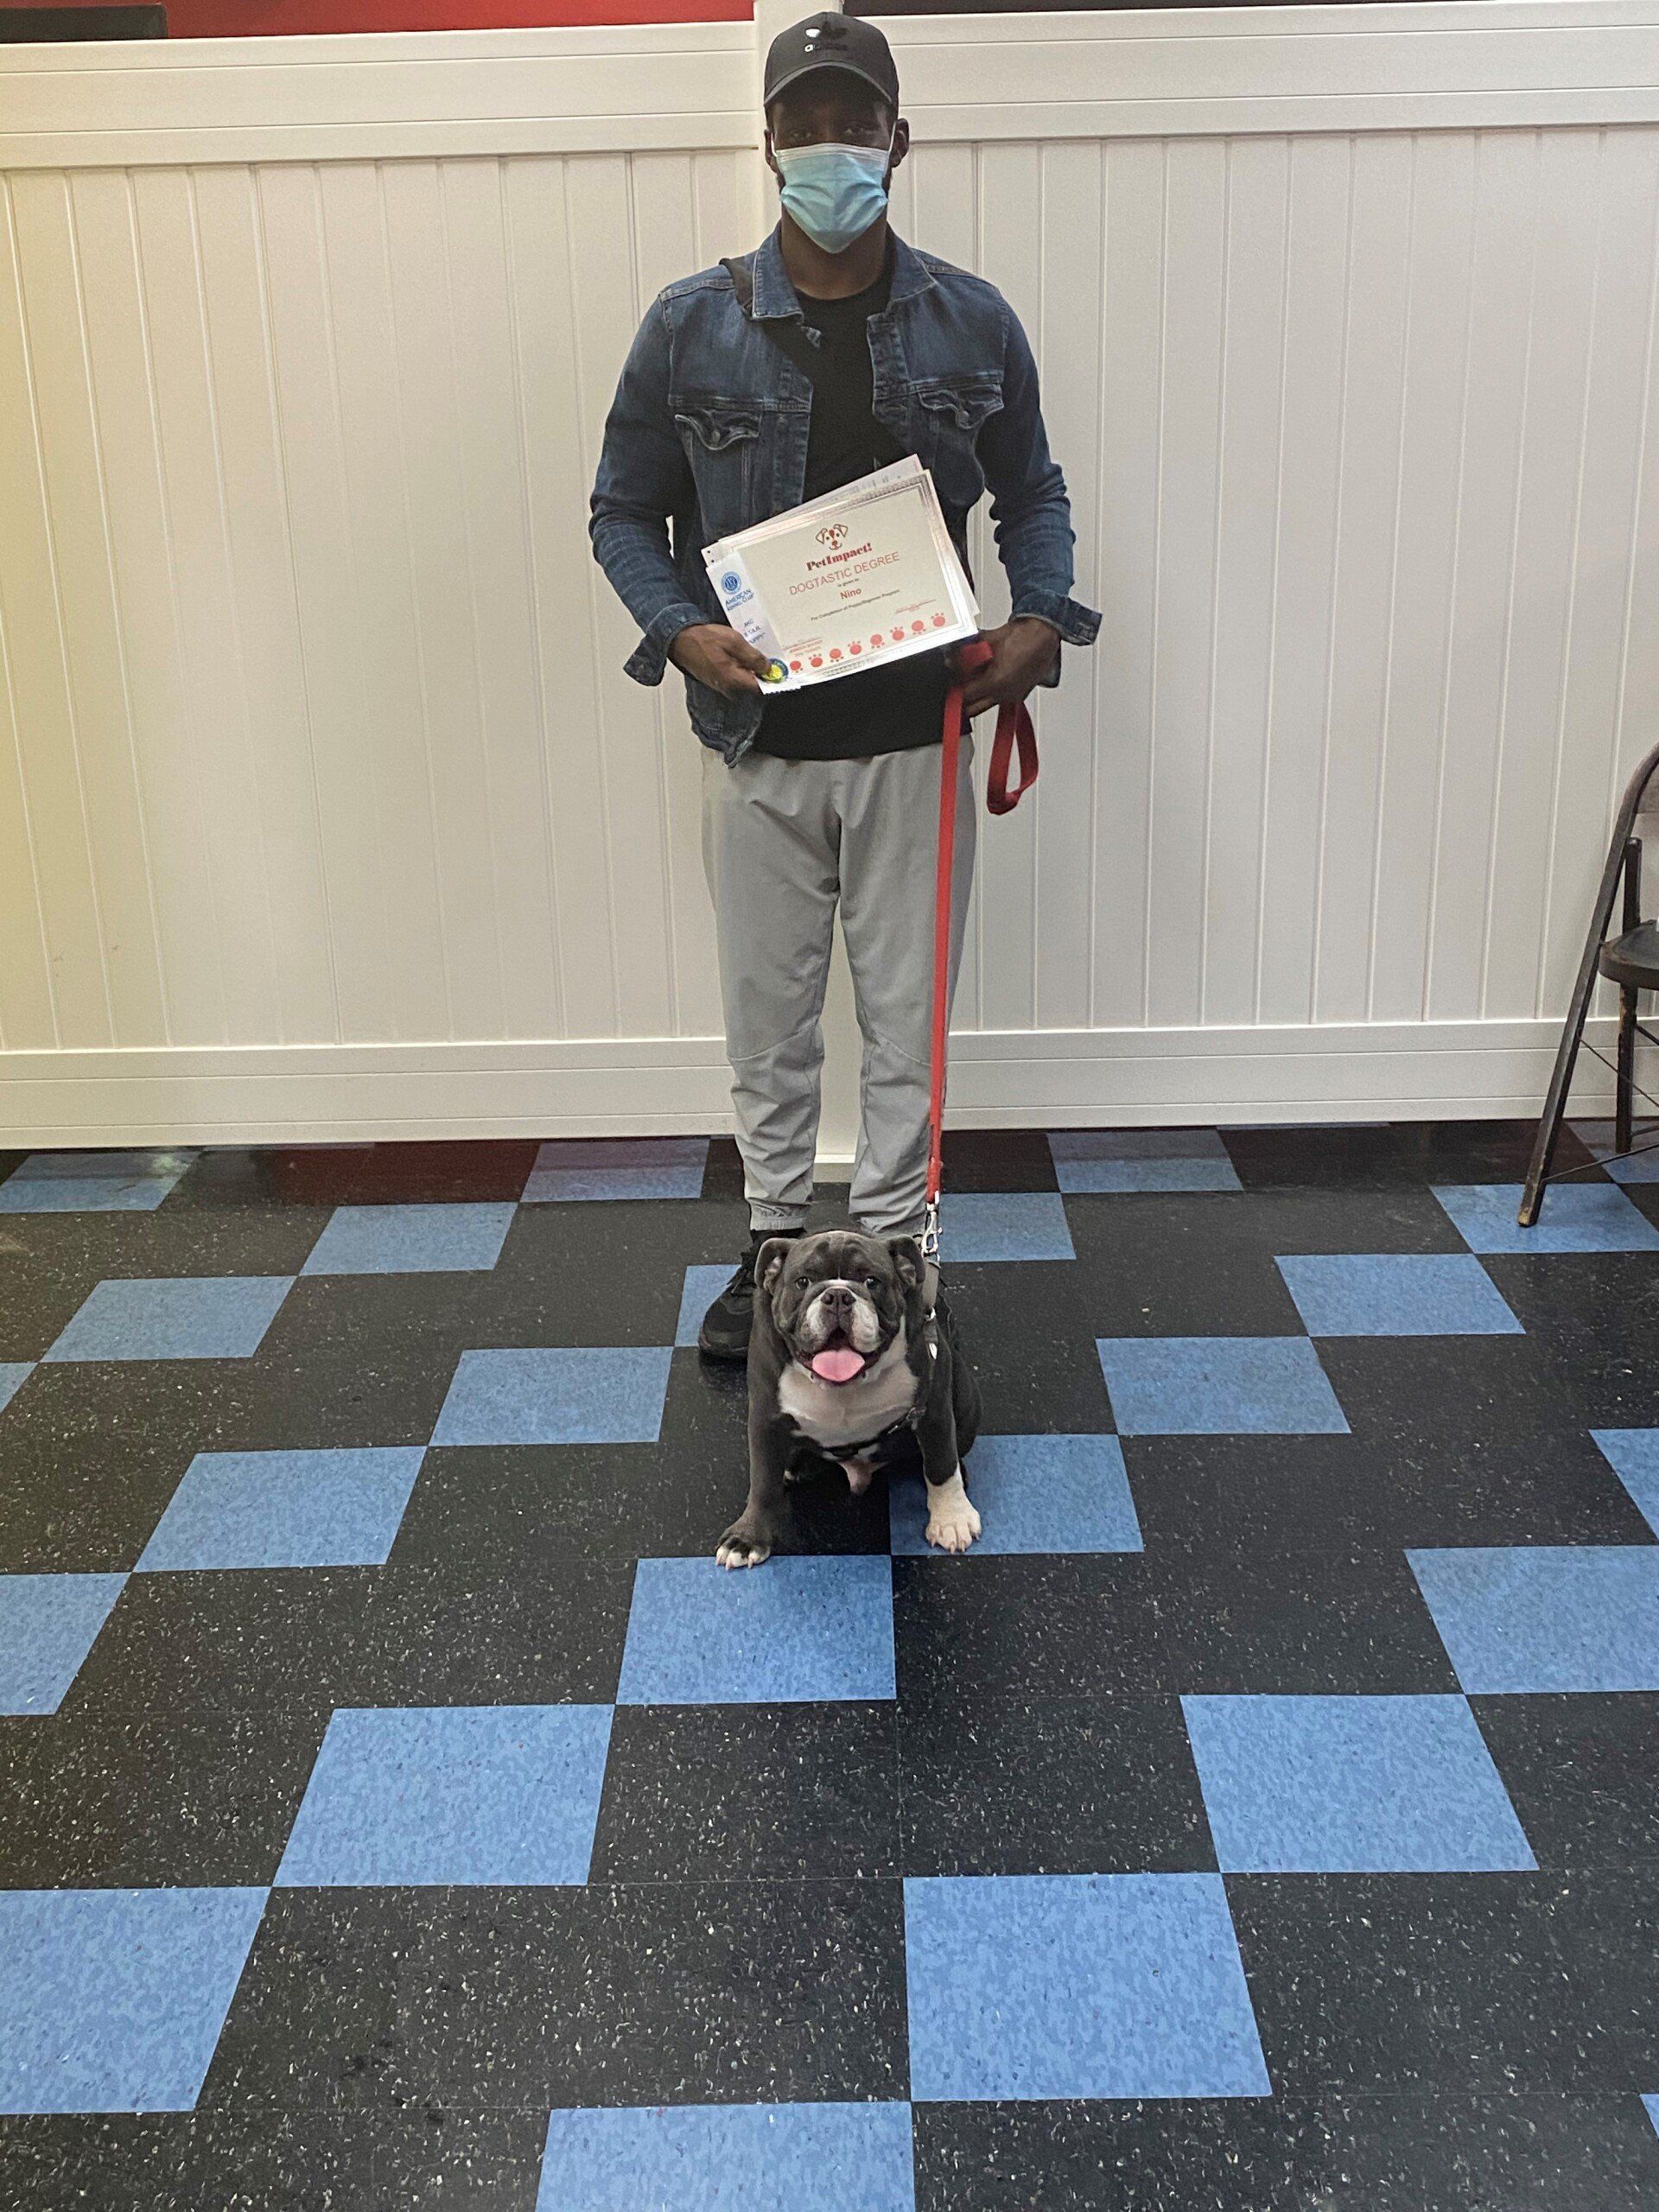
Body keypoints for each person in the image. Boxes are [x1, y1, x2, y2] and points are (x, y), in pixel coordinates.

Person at [589, 10, 1099, 1357]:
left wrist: (1039, 616)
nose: (831, 149)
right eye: (804, 125)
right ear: (767, 145)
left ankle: (896, 1267)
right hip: (757, 741)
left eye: (855, 122)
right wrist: (682, 628)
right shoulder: (689, 326)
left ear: (899, 139)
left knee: (904, 1033)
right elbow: (620, 514)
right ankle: (773, 1261)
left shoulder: (971, 321)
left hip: (918, 736)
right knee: (769, 1027)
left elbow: (1033, 493)